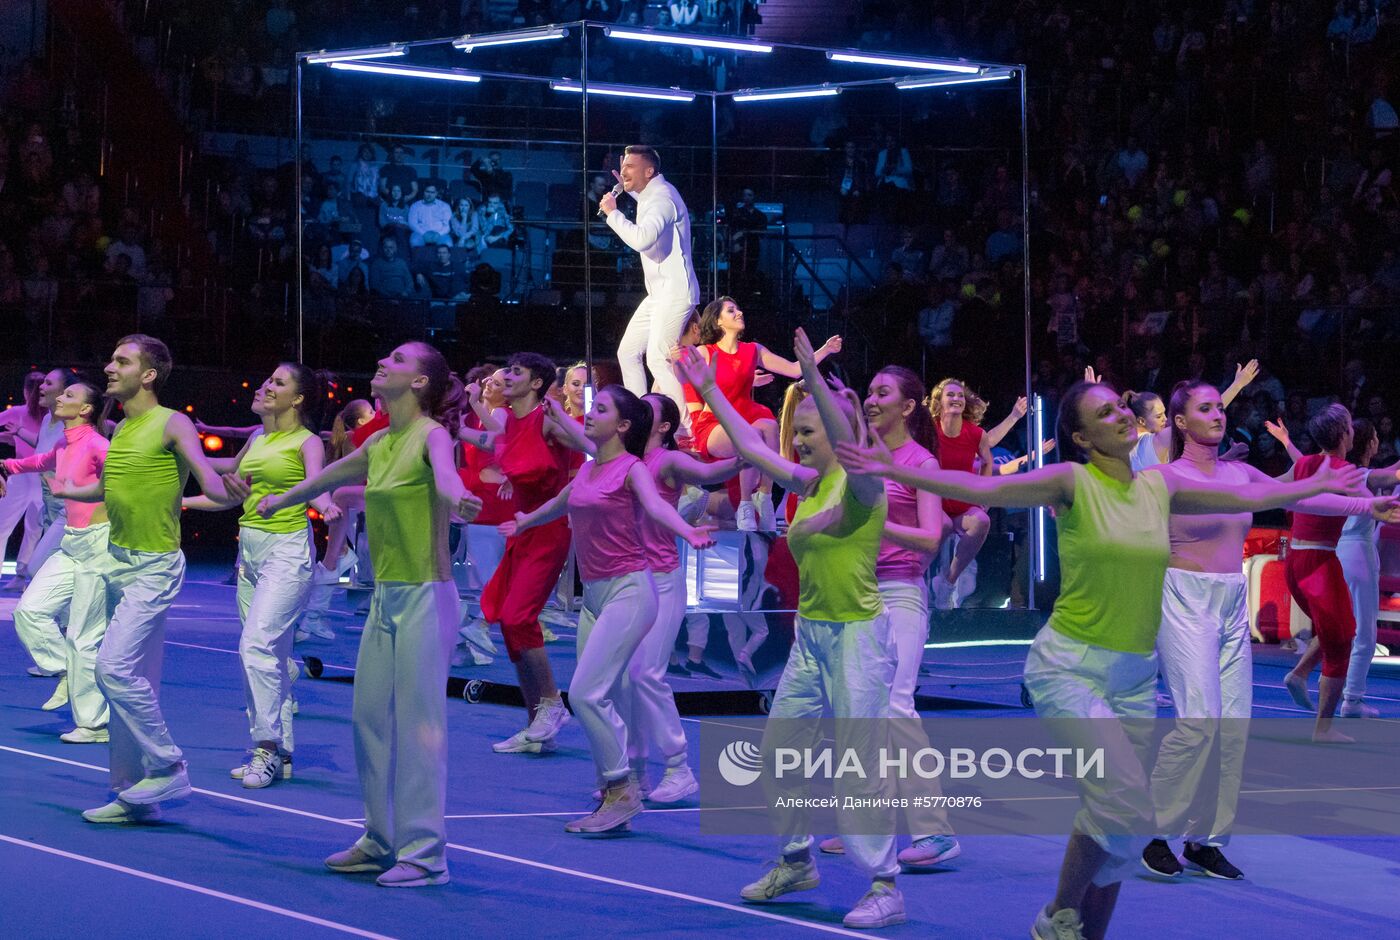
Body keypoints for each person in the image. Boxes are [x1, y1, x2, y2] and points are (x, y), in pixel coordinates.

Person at [836, 380, 1366, 940]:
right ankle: (1056, 913)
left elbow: (1250, 498)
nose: (1120, 416)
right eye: (1103, 413)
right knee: (1121, 796)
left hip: (1133, 679)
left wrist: (1332, 488)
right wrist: (896, 470)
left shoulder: (1160, 486)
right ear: (1081, 438)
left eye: (1120, 406)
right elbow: (972, 485)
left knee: (1121, 830)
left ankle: (1085, 933)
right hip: (1070, 667)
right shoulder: (1072, 482)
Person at [677, 331, 906, 930]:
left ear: (842, 432)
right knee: (781, 751)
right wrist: (707, 389)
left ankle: (884, 884)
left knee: (860, 766)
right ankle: (796, 859)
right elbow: (754, 451)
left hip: (858, 636)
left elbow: (845, 436)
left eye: (810, 430)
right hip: (812, 636)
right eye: (798, 432)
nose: (798, 440)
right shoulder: (808, 486)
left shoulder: (864, 485)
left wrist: (810, 372)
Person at [1139, 382, 1395, 882]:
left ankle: (1206, 840)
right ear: (1181, 423)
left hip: (1231, 599)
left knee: (1232, 726)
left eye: (1220, 406)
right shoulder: (1161, 477)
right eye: (1205, 408)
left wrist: (1369, 505)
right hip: (1182, 599)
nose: (1218, 414)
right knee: (1198, 722)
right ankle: (1152, 832)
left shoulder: (1240, 470)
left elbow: (1302, 500)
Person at [260, 342, 480, 887]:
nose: (384, 360)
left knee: (420, 727)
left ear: (422, 383)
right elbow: (327, 480)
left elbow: (448, 477)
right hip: (385, 598)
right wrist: (277, 500)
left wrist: (459, 498)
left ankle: (426, 855)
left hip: (428, 597)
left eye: (400, 359)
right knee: (368, 721)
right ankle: (381, 838)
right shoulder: (382, 439)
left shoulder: (432, 435)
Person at [504, 386, 715, 832]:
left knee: (583, 693)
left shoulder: (632, 468)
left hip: (630, 591)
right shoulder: (587, 470)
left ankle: (623, 790)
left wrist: (688, 533)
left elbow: (657, 507)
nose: (590, 413)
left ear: (622, 426)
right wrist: (525, 520)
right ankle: (617, 785)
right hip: (594, 598)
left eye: (600, 409)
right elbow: (562, 503)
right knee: (609, 693)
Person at [53, 335, 232, 823]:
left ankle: (169, 765)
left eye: (122, 361)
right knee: (130, 677)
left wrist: (228, 494)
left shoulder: (172, 421)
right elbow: (113, 488)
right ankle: (133, 793)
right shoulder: (123, 429)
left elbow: (206, 478)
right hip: (116, 559)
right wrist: (72, 490)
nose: (109, 367)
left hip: (154, 567)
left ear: (148, 374)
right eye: (111, 358)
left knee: (112, 669)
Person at [548, 391, 740, 801]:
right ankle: (633, 774)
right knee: (616, 683)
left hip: (662, 581)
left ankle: (678, 765)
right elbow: (584, 441)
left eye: (646, 409)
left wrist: (747, 453)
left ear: (663, 425)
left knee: (644, 675)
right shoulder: (616, 459)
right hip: (622, 583)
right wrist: (559, 414)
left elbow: (711, 473)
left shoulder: (666, 460)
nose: (635, 410)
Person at [186, 365, 339, 788]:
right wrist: (183, 477)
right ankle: (283, 750)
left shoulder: (306, 441)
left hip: (286, 552)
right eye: (266, 379)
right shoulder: (257, 438)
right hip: (249, 550)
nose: (265, 385)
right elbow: (228, 483)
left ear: (298, 399)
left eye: (278, 383)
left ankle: (265, 748)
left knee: (255, 645)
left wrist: (325, 504)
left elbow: (317, 482)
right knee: (267, 655)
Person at [467, 353, 575, 754]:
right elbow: (490, 440)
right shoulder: (511, 421)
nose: (506, 376)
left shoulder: (548, 422)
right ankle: (534, 726)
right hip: (520, 531)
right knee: (507, 622)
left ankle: (551, 702)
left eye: (516, 372)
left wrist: (566, 420)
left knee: (518, 617)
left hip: (548, 531)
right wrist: (453, 427)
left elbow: (588, 449)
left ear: (536, 383)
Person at [1281, 404, 1400, 741]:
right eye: (1349, 426)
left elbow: (1273, 488)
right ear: (1343, 434)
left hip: (1296, 559)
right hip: (1320, 561)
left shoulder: (1307, 463)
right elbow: (1379, 487)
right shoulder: (1345, 471)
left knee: (1335, 632)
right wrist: (1380, 508)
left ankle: (1301, 677)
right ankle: (1324, 726)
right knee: (1344, 636)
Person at [2, 379, 111, 740]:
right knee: (29, 612)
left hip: (99, 545)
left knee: (83, 636)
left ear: (85, 410)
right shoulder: (65, 442)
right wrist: (5, 465)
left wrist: (73, 490)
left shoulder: (98, 444)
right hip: (72, 543)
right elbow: (37, 461)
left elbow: (119, 486)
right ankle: (65, 668)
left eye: (69, 394)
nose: (59, 397)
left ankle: (93, 724)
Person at [683, 296, 840, 532]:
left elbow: (794, 369)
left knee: (767, 425)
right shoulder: (705, 352)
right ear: (717, 321)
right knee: (753, 435)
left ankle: (763, 497)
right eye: (731, 310)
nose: (739, 313)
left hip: (745, 416)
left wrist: (826, 349)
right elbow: (688, 387)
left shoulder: (752, 350)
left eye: (738, 308)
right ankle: (746, 503)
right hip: (713, 423)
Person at [599, 145, 700, 422]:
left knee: (657, 356)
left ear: (649, 170)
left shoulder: (662, 199)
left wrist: (613, 214)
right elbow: (645, 197)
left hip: (676, 292)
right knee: (628, 351)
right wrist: (627, 188)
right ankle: (639, 417)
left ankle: (684, 427)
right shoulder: (652, 193)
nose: (623, 171)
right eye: (622, 166)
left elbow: (643, 239)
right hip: (659, 294)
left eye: (630, 166)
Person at [927, 378, 994, 607]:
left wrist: (983, 495)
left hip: (962, 504)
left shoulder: (976, 434)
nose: (956, 398)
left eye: (960, 396)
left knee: (982, 520)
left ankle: (947, 582)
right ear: (939, 401)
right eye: (950, 395)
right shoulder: (929, 429)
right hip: (934, 503)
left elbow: (988, 462)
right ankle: (916, 579)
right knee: (943, 526)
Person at [0, 371, 46, 592]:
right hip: (44, 476)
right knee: (34, 529)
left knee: (3, 528)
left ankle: (19, 576)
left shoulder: (18, 412)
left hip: (22, 473)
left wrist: (14, 436)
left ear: (25, 390)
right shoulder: (51, 416)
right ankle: (20, 575)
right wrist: (11, 437)